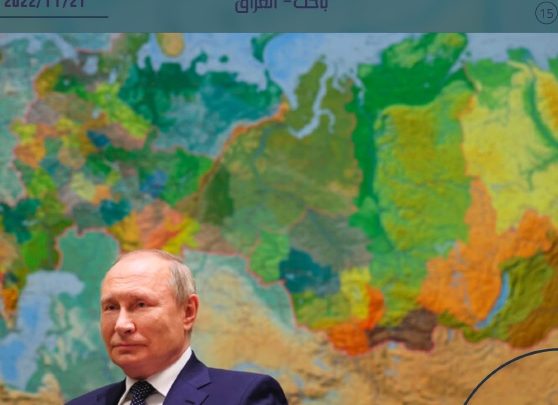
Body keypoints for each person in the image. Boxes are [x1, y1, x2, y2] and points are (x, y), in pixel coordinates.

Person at [67, 249, 288, 405]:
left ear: (188, 312)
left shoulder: (244, 396)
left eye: (141, 305)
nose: (121, 324)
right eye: (111, 307)